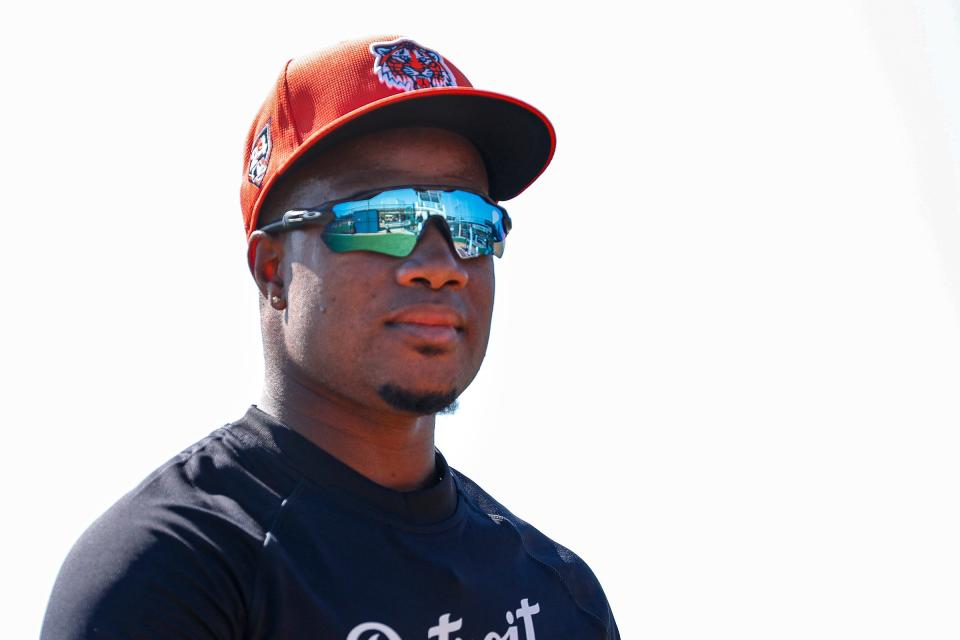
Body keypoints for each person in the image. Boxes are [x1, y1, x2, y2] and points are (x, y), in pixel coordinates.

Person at [41, 35, 619, 639]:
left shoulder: (555, 596)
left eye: (469, 221)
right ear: (273, 270)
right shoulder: (171, 572)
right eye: (382, 218)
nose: (440, 262)